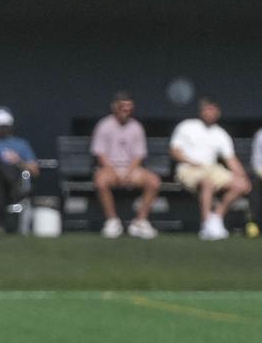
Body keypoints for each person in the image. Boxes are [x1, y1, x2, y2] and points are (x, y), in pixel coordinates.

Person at [170, 96, 250, 241]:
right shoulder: (187, 126)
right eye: (206, 109)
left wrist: (244, 177)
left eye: (212, 110)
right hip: (188, 168)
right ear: (201, 111)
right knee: (207, 182)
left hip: (212, 169)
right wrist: (192, 162)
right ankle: (206, 224)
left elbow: (231, 159)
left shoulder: (221, 134)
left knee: (242, 185)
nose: (209, 113)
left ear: (218, 112)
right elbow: (174, 151)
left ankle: (216, 218)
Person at [90, 91, 160, 239]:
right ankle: (112, 221)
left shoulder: (137, 127)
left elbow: (139, 155)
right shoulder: (104, 125)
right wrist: (113, 171)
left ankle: (140, 222)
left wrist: (129, 172)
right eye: (123, 107)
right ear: (115, 107)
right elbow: (100, 154)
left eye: (129, 108)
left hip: (131, 169)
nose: (126, 111)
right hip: (109, 168)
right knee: (101, 181)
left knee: (153, 181)